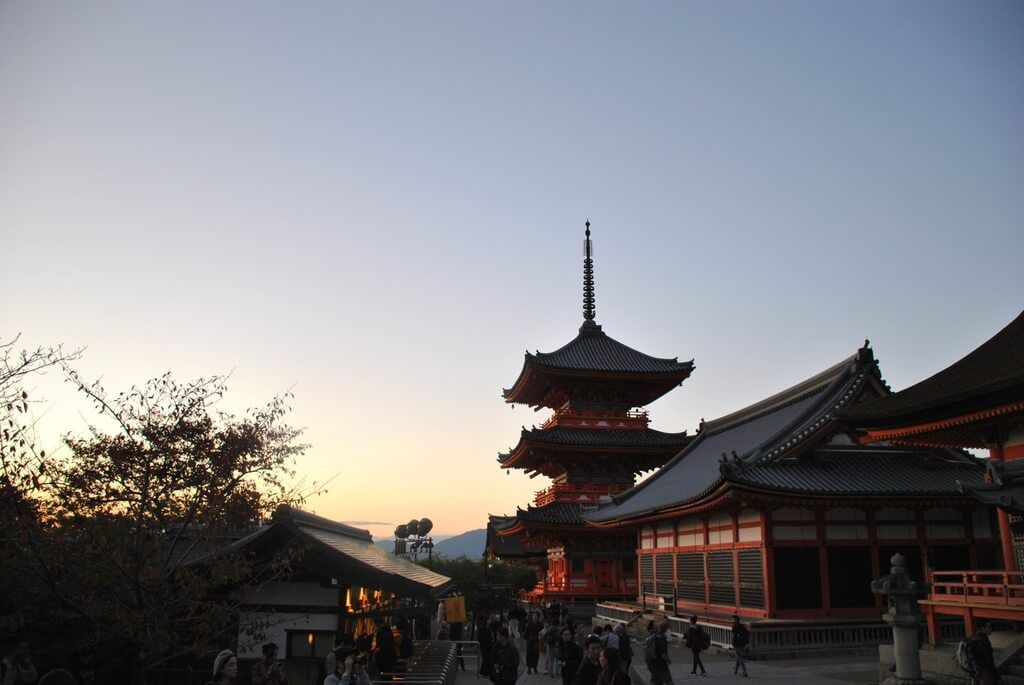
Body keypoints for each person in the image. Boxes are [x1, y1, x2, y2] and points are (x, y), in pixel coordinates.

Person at [968, 620, 998, 685]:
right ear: (982, 628)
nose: (991, 629)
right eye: (989, 627)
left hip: (974, 669)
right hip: (984, 670)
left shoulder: (972, 637)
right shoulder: (983, 641)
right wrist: (995, 674)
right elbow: (988, 660)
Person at [646, 620, 673, 685]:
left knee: (654, 682)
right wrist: (669, 660)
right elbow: (663, 654)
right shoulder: (663, 638)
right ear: (666, 629)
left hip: (653, 664)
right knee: (669, 681)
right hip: (662, 665)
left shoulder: (654, 636)